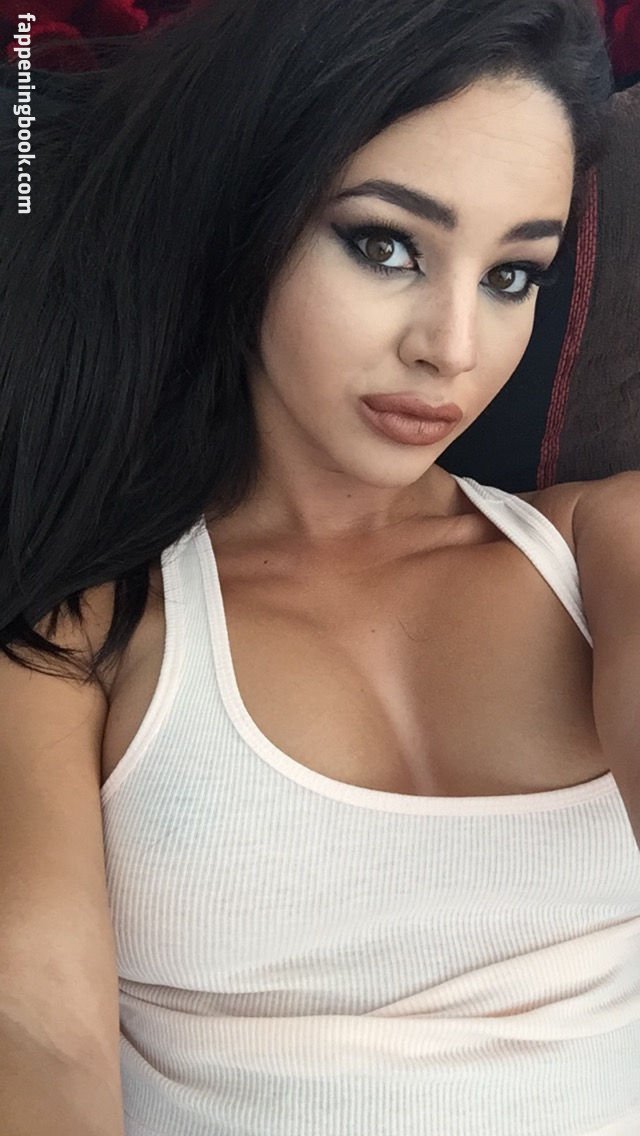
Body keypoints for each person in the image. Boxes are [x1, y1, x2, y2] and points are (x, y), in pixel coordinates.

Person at [0, 2, 639, 1134]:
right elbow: (37, 1036)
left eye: (511, 275)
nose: (451, 347)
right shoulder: (82, 627)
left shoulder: (608, 546)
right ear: (243, 218)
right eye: (386, 245)